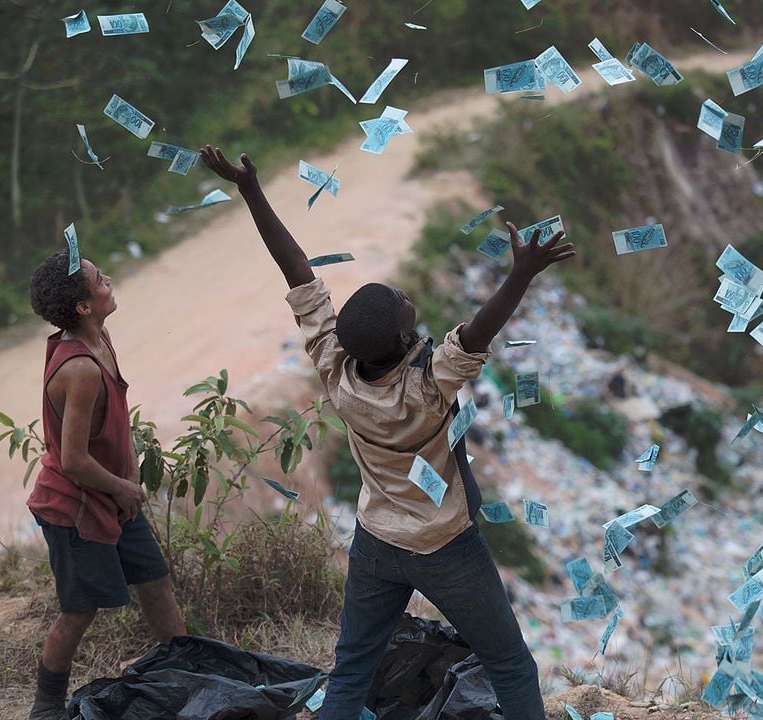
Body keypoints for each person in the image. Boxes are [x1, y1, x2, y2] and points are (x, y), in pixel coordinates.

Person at [199, 145, 575, 719]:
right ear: (404, 341)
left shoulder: (335, 366)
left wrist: (251, 188)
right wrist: (520, 272)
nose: (404, 297)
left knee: (352, 669)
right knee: (510, 665)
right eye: (403, 307)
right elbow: (478, 331)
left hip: (376, 541)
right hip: (445, 544)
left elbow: (298, 273)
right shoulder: (428, 386)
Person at [25, 251, 185, 720]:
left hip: (114, 495)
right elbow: (72, 460)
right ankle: (45, 705)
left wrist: (129, 480)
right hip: (74, 506)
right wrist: (121, 487)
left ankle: (188, 668)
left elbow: (116, 426)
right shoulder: (80, 369)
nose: (108, 279)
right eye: (98, 279)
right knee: (80, 610)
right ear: (82, 307)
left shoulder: (101, 339)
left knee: (156, 584)